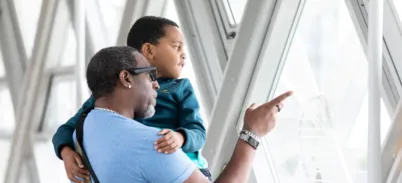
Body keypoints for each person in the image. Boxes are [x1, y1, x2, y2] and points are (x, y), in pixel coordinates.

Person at [73, 46, 293, 183]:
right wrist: (251, 134)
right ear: (126, 78)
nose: (156, 84)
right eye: (150, 75)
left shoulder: (83, 129)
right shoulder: (151, 143)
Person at [52, 16, 211, 182]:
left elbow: (198, 132)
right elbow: (66, 129)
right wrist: (66, 153)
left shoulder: (181, 88)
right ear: (149, 50)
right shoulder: (108, 95)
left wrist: (180, 137)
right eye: (176, 47)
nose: (183, 54)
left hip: (190, 170)